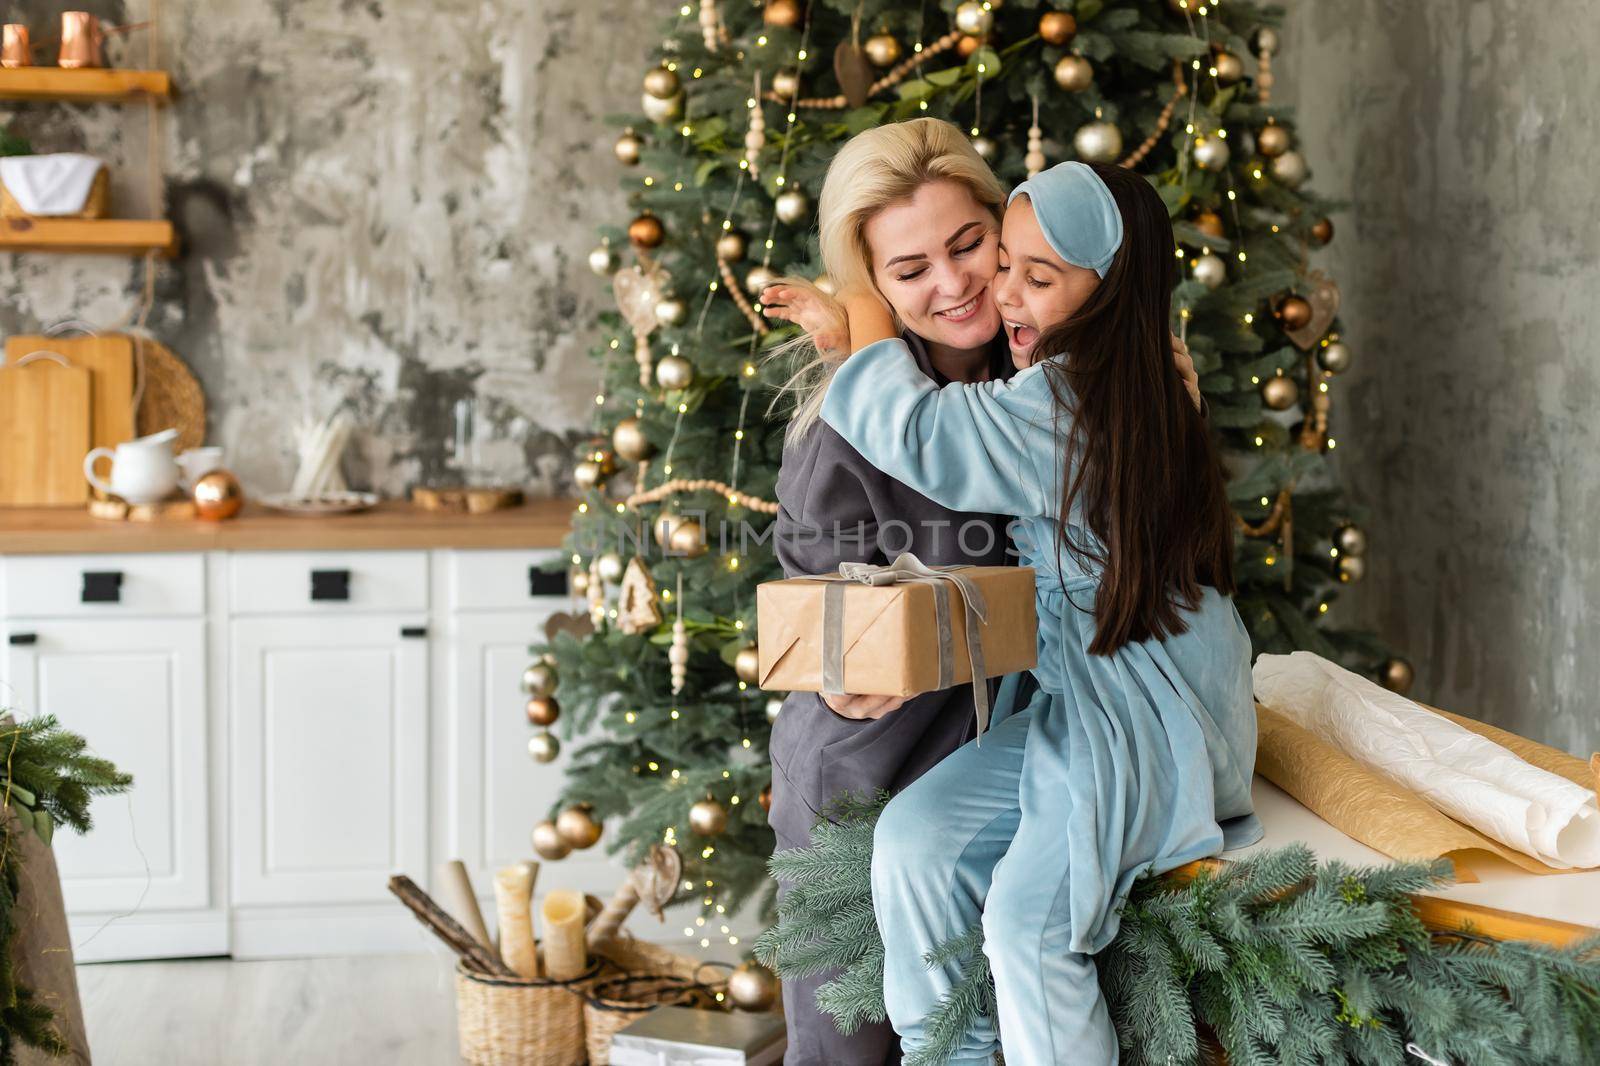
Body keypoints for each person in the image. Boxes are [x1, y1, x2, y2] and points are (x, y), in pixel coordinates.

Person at [762, 119, 1203, 1065]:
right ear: (871, 290)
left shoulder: (1058, 373)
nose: (956, 284)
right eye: (909, 270)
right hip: (868, 772)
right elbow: (814, 609)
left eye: (971, 247)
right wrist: (842, 666)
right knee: (855, 1044)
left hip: (1035, 742)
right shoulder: (849, 426)